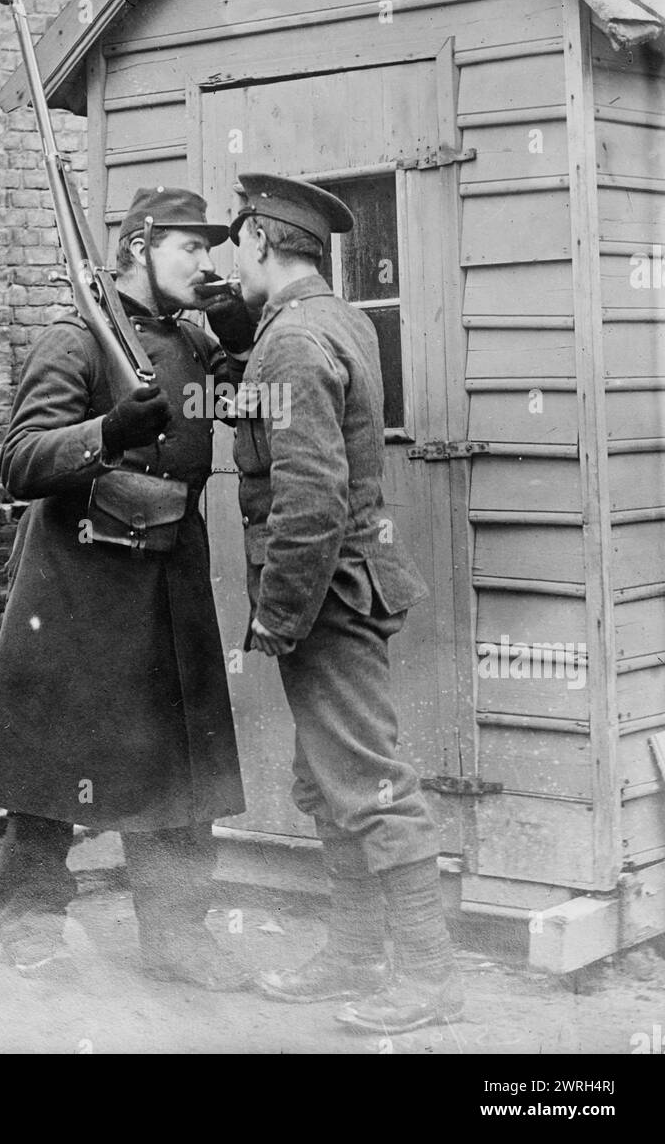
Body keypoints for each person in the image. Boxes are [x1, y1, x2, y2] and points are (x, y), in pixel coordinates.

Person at [0, 185, 258, 989]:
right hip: (79, 578)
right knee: (50, 760)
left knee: (179, 764)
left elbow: (254, 403)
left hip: (168, 571)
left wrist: (242, 337)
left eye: (211, 249)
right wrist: (108, 432)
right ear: (139, 249)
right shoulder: (75, 340)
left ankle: (176, 935)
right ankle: (31, 922)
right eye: (191, 249)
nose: (207, 263)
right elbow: (20, 464)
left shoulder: (195, 346)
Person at [230, 172, 463, 1034]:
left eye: (236, 242)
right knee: (326, 781)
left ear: (258, 240)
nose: (228, 257)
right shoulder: (341, 319)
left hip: (324, 594)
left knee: (368, 782)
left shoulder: (291, 343)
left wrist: (278, 616)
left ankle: (431, 978)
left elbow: (312, 498)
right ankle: (355, 955)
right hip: (350, 582)